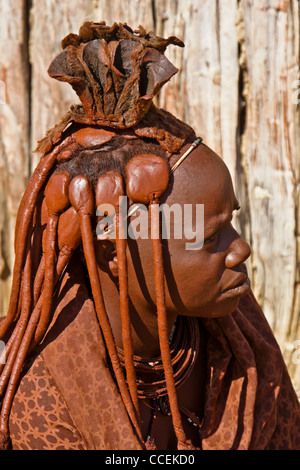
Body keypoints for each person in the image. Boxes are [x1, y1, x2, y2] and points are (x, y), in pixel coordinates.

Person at [0, 21, 299, 451]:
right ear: (114, 248)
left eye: (231, 223)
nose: (241, 249)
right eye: (210, 236)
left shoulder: (240, 340)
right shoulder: (42, 393)